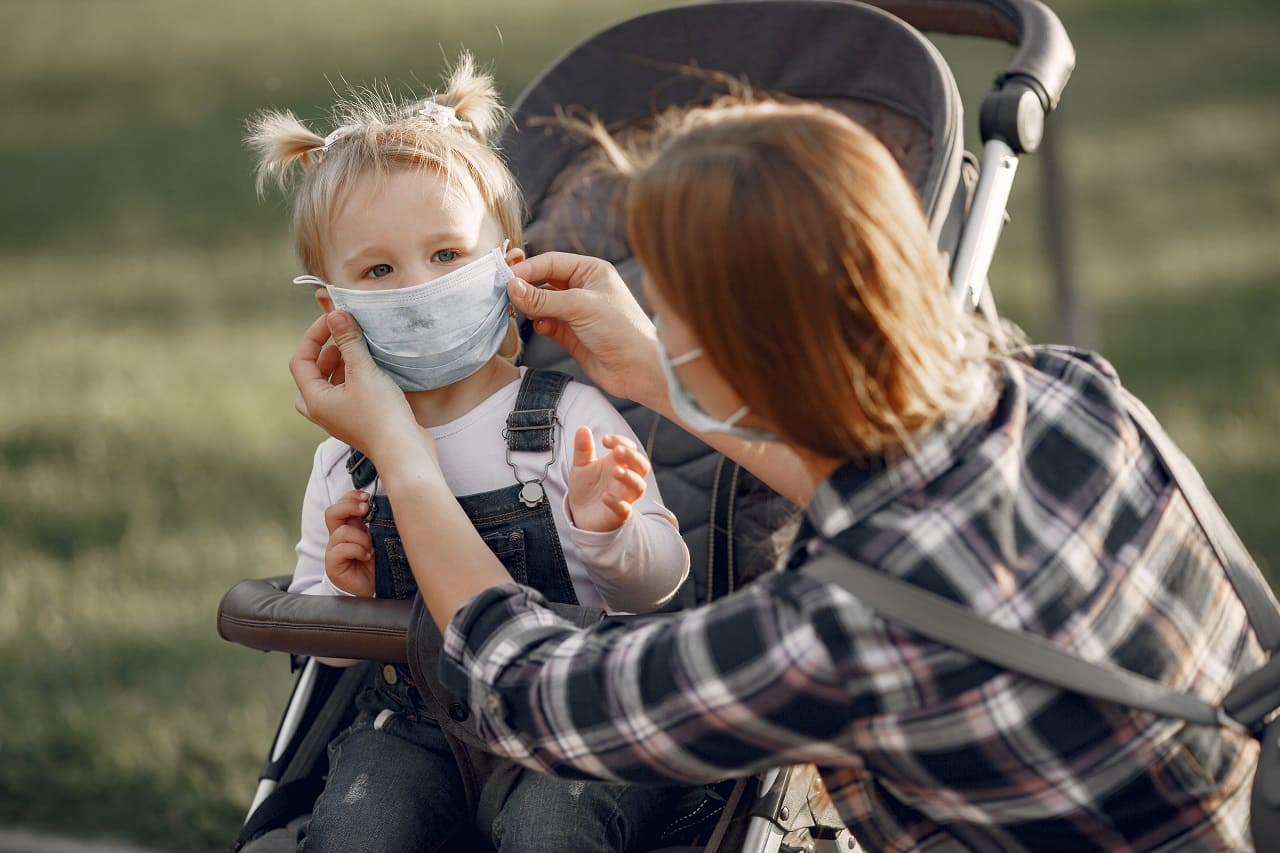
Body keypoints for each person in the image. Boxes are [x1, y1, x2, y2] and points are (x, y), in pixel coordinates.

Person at [288, 95, 1268, 851]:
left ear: (738, 347)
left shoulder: (832, 630)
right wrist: (664, 382)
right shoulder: (1064, 389)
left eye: (664, 306)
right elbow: (904, 508)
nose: (648, 319)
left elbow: (536, 690)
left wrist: (402, 458)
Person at [249, 55, 692, 853]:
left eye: (447, 255)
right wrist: (346, 597)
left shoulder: (565, 420)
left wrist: (608, 533)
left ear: (507, 265)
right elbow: (321, 643)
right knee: (358, 827)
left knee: (550, 827)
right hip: (412, 730)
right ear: (334, 305)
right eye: (379, 270)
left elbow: (661, 585)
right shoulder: (345, 458)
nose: (416, 286)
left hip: (576, 718)